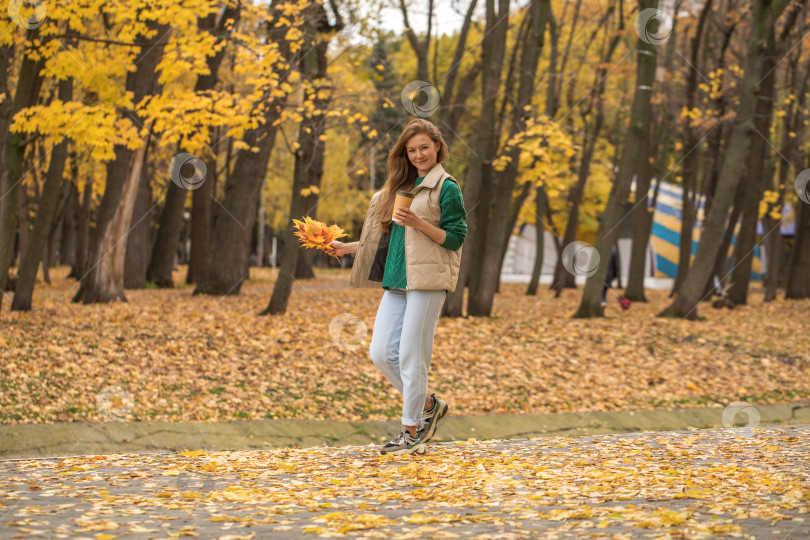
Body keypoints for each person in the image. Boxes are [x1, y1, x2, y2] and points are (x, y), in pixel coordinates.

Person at [329, 118, 467, 455]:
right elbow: (386, 239)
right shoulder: (398, 187)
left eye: (424, 147)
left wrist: (419, 223)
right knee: (380, 352)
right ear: (404, 154)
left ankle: (411, 430)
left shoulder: (446, 187)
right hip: (397, 279)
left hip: (428, 281)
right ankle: (429, 406)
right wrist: (346, 248)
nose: (419, 154)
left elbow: (456, 237)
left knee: (410, 355)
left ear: (437, 147)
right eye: (412, 149)